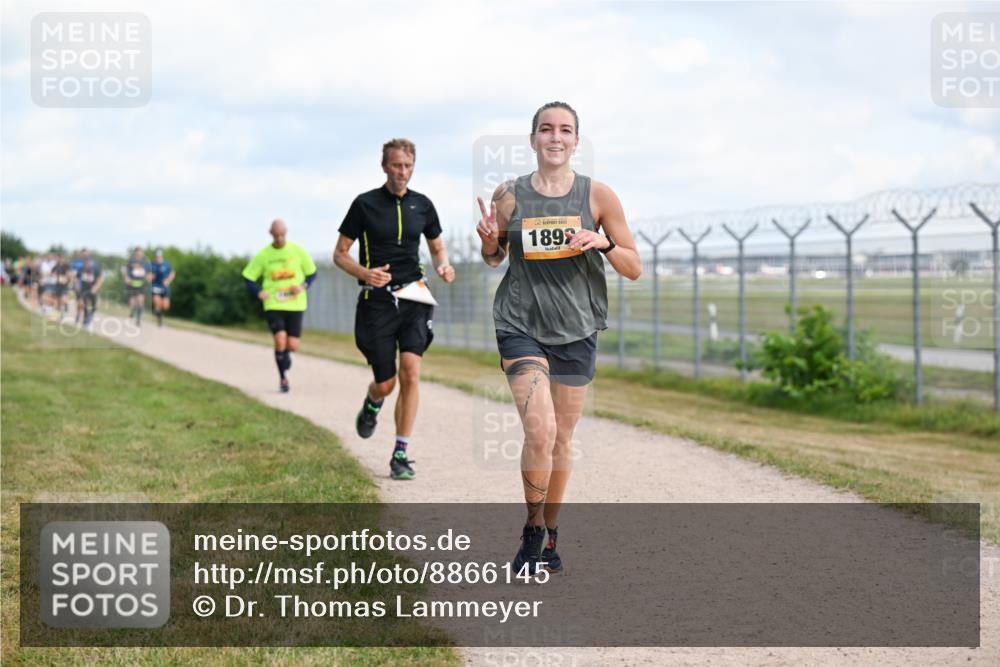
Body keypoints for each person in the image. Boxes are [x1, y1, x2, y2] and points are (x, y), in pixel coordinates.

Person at [477, 102, 641, 575]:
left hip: (576, 329)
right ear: (533, 139)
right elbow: (495, 258)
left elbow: (633, 267)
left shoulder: (599, 197)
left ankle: (550, 535)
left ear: (575, 141)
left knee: (563, 439)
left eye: (565, 130)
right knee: (540, 431)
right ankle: (531, 529)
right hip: (520, 324)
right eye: (546, 129)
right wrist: (490, 240)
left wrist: (603, 243)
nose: (555, 137)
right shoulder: (509, 195)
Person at [333, 138, 456, 481]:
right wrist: (364, 273)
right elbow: (340, 253)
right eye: (396, 165)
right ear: (384, 166)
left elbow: (437, 247)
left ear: (413, 166)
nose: (402, 172)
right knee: (386, 384)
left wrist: (443, 266)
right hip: (378, 302)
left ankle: (400, 452)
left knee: (411, 373)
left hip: (415, 295)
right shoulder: (365, 204)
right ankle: (373, 402)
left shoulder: (424, 205)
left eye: (408, 166)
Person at [242, 219, 317, 393]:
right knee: (280, 339)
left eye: (282, 235)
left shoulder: (297, 251)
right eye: (276, 235)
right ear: (271, 234)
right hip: (274, 303)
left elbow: (312, 273)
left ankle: (286, 356)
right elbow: (248, 277)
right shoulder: (263, 255)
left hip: (296, 303)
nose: (279, 238)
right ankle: (283, 378)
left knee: (292, 345)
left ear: (286, 232)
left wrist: (303, 286)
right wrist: (258, 292)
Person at [122, 247, 150, 327]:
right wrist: (126, 278)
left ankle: (138, 320)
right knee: (132, 303)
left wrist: (148, 278)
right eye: (137, 253)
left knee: (140, 301)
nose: (139, 254)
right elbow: (125, 271)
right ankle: (133, 311)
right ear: (135, 253)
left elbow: (148, 273)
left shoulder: (145, 263)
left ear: (142, 253)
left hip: (141, 285)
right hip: (132, 284)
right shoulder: (130, 261)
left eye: (140, 253)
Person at [149, 249, 176, 327]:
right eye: (157, 257)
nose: (158, 258)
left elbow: (172, 273)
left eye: (159, 256)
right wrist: (150, 277)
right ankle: (158, 316)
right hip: (155, 287)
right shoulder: (151, 265)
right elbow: (147, 275)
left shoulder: (167, 264)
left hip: (165, 288)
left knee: (165, 306)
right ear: (155, 257)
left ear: (162, 256)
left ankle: (158, 313)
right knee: (157, 303)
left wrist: (168, 280)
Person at [76, 253, 103, 329]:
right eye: (86, 262)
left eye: (89, 262)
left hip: (93, 290)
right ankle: (86, 322)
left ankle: (90, 318)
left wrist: (96, 287)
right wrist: (77, 286)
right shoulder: (81, 269)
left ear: (91, 262)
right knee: (85, 305)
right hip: (84, 290)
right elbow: (77, 279)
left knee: (94, 307)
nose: (87, 264)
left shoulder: (96, 270)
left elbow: (100, 279)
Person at [51, 253, 72, 319]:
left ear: (63, 259)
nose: (60, 260)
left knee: (63, 299)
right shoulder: (56, 266)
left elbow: (69, 275)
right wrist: (54, 275)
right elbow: (52, 272)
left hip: (65, 285)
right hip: (58, 285)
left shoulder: (66, 266)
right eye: (59, 258)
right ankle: (58, 314)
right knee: (58, 300)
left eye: (61, 258)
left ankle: (65, 309)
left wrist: (67, 278)